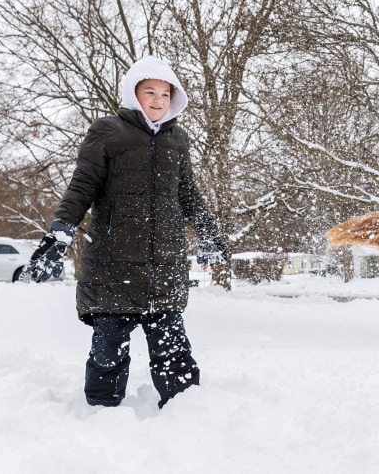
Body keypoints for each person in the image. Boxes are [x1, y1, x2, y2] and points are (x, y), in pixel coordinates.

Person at [24, 56, 227, 409]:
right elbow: (82, 186)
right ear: (133, 94)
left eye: (166, 93)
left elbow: (188, 194)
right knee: (108, 352)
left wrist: (210, 233)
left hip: (161, 268)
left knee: (173, 351)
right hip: (113, 267)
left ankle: (187, 413)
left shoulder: (177, 139)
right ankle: (102, 413)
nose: (158, 100)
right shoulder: (108, 132)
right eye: (150, 92)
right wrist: (60, 231)